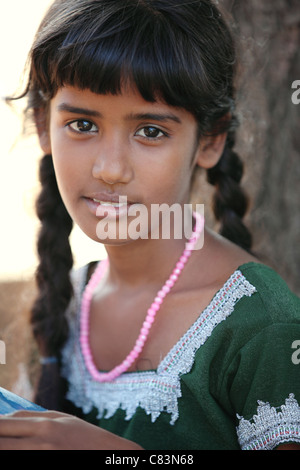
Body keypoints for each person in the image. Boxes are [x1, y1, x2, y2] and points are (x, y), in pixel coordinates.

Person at [0, 0, 299, 450]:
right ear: (44, 125)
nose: (110, 168)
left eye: (151, 131)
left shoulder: (262, 325)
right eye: (82, 124)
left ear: (210, 140)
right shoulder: (62, 305)